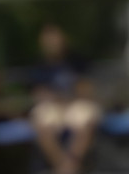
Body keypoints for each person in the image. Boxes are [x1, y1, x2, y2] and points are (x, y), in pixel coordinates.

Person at [29, 25, 100, 174]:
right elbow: (38, 93)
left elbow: (87, 88)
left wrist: (70, 93)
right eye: (49, 41)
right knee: (41, 122)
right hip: (53, 107)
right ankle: (66, 168)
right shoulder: (40, 65)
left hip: (76, 104)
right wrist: (58, 96)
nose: (53, 43)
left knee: (86, 118)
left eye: (56, 39)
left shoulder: (77, 60)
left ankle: (67, 168)